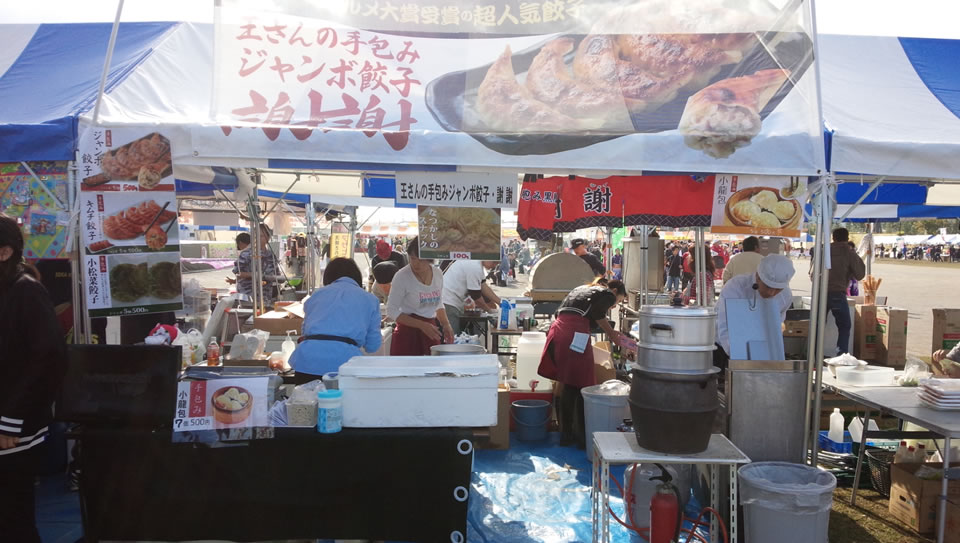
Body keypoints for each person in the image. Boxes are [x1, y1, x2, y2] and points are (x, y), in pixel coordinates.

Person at [0, 214, 68, 542]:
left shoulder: (26, 292)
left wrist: (11, 421)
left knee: (13, 519)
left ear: (5, 252)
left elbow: (49, 359)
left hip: (11, 427)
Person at [537, 279, 626, 448]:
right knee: (582, 385)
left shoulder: (582, 289)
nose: (614, 306)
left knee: (569, 382)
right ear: (614, 291)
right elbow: (599, 314)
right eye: (618, 300)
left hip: (558, 332)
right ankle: (581, 436)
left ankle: (566, 434)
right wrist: (612, 334)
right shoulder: (606, 293)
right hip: (574, 334)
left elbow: (563, 313)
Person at [288, 258, 382, 384]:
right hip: (345, 364)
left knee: (305, 402)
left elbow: (305, 331)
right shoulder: (370, 299)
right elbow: (373, 345)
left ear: (328, 277)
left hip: (307, 361)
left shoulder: (317, 295)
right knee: (341, 403)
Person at [714, 255, 795, 372]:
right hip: (724, 349)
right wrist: (741, 361)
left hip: (761, 353)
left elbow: (774, 330)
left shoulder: (785, 296)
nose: (772, 293)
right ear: (757, 277)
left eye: (778, 289)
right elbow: (725, 327)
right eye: (768, 286)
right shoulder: (735, 287)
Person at [386, 237, 454, 355]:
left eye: (421, 260)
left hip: (430, 332)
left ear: (430, 260)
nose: (416, 264)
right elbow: (391, 310)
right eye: (412, 258)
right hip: (407, 333)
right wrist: (421, 325)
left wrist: (446, 324)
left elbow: (438, 302)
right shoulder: (402, 276)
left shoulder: (437, 274)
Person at [827, 228, 865, 355]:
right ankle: (841, 355)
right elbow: (860, 274)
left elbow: (812, 274)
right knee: (844, 326)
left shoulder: (823, 250)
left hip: (820, 293)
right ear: (847, 238)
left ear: (833, 237)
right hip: (838, 292)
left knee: (816, 325)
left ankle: (812, 354)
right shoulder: (848, 253)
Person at [442, 260, 501, 335]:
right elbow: (476, 296)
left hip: (451, 301)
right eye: (494, 262)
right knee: (453, 337)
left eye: (497, 264)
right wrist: (489, 310)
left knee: (455, 336)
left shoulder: (476, 265)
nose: (494, 266)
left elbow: (483, 286)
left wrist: (501, 302)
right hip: (448, 301)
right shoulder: (475, 266)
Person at [235, 224, 281, 308]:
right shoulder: (246, 254)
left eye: (262, 236)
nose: (258, 238)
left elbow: (277, 274)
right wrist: (253, 275)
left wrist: (277, 278)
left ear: (268, 238)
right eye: (256, 235)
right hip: (248, 297)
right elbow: (238, 273)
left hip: (265, 296)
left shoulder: (271, 256)